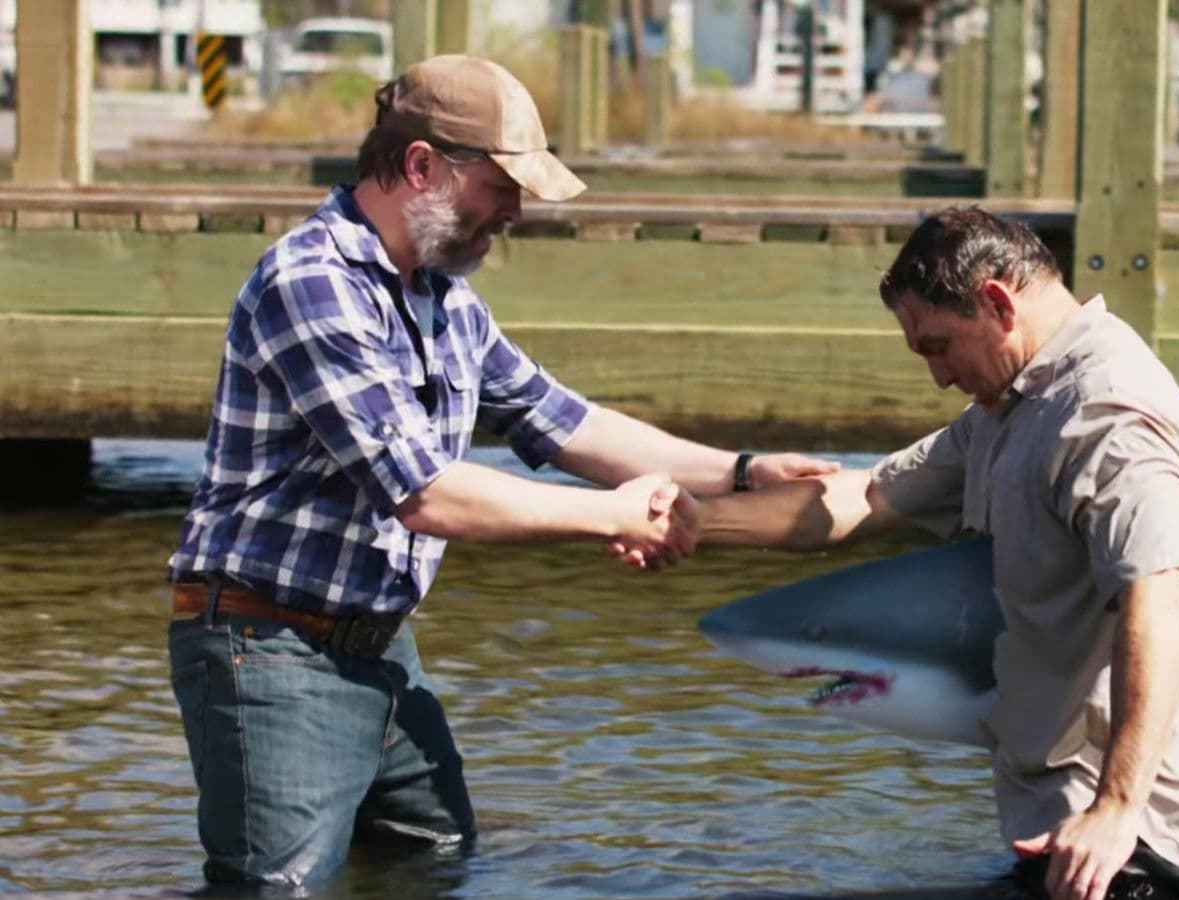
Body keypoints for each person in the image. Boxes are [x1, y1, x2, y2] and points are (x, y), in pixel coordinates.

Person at [165, 54, 834, 889]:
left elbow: (565, 422)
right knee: (278, 887)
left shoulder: (444, 298)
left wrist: (741, 471)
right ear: (422, 167)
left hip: (376, 644)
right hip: (267, 648)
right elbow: (428, 495)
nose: (516, 210)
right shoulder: (312, 283)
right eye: (503, 185)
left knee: (433, 858)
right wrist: (611, 518)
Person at [693, 208, 1179, 900]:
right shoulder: (1013, 405)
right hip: (1064, 817)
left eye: (939, 346)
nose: (938, 377)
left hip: (1119, 842)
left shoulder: (1108, 416)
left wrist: (1117, 808)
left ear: (997, 303)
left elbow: (1160, 595)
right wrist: (691, 524)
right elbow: (860, 499)